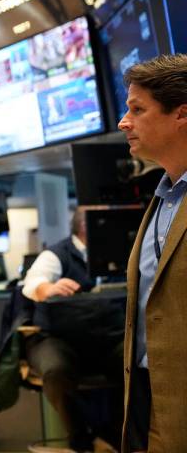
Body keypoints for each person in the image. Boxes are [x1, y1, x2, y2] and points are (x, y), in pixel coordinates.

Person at [118, 54, 187, 452]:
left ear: (182, 115)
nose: (123, 122)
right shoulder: (162, 198)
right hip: (146, 397)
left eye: (137, 109)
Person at [22, 208, 124, 452]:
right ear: (87, 227)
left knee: (139, 362)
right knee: (57, 371)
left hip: (107, 338)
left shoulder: (117, 253)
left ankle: (115, 429)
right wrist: (48, 288)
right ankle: (79, 434)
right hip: (56, 338)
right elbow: (33, 282)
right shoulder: (57, 254)